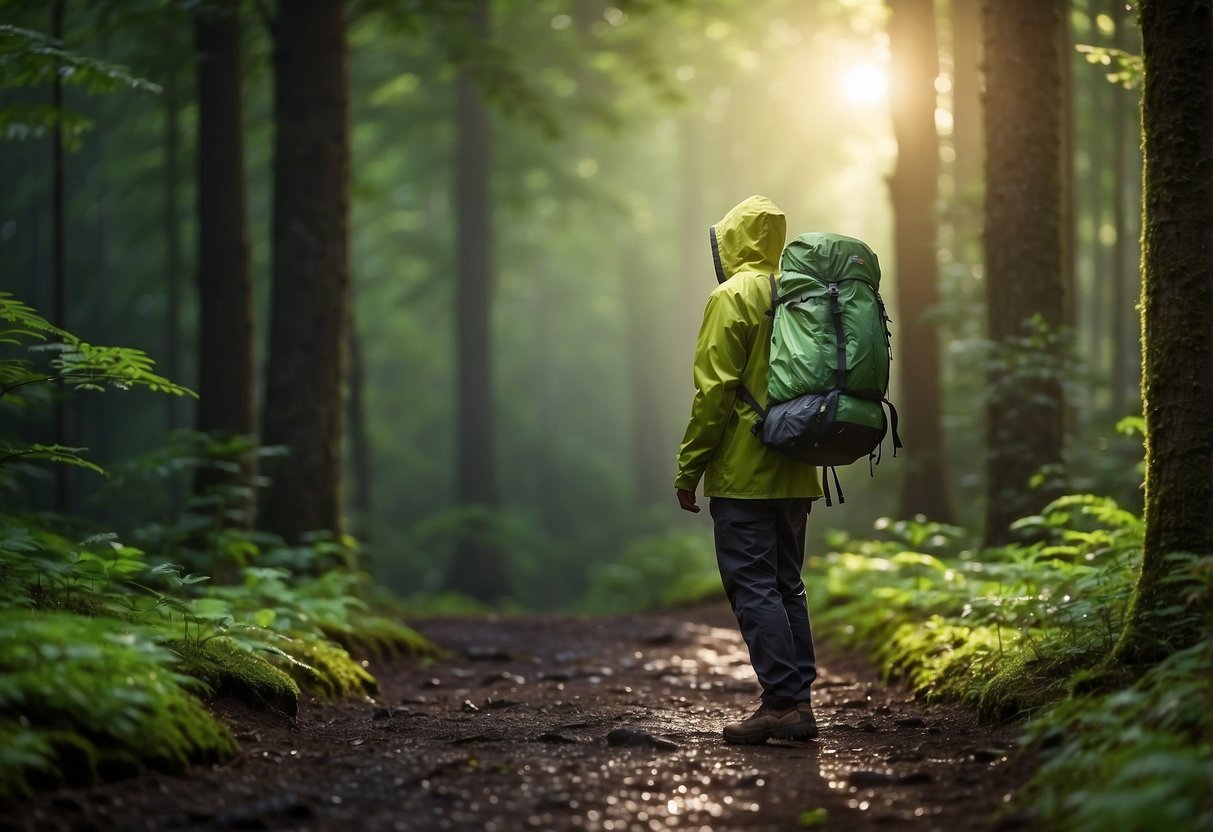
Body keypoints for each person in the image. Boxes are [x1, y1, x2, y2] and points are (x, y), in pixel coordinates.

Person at [674, 194, 822, 745]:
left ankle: (782, 703)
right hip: (801, 464)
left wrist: (689, 468)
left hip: (745, 469)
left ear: (733, 239)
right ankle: (797, 700)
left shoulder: (732, 295)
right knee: (788, 585)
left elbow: (714, 392)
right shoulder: (803, 291)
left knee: (752, 583)